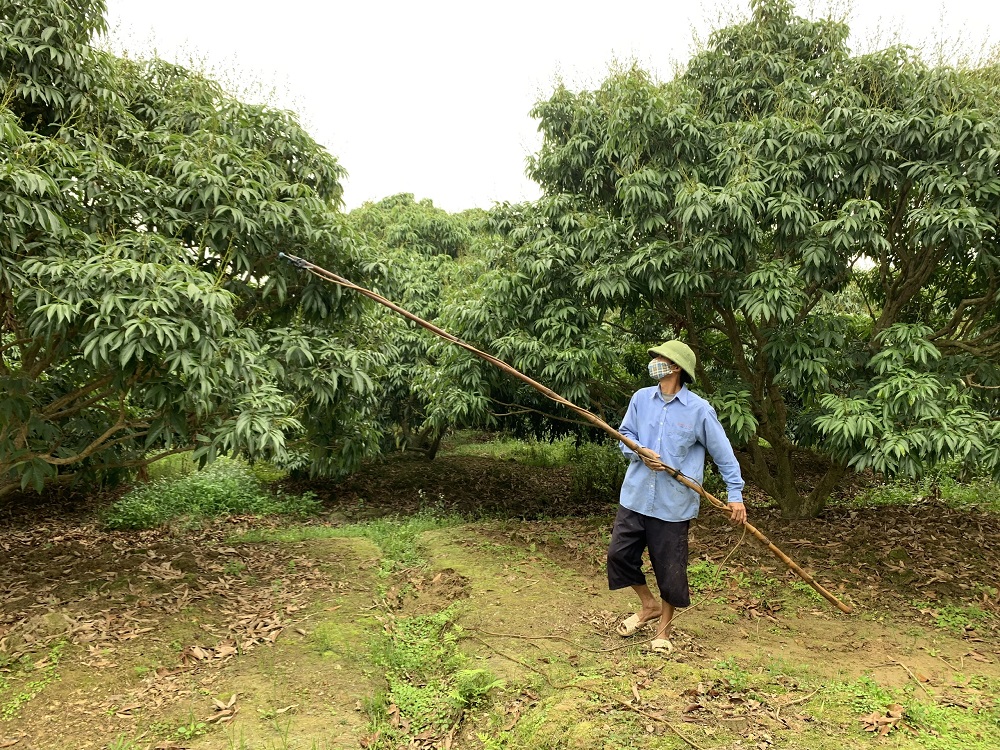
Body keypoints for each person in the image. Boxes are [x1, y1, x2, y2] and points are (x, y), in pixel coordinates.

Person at [607, 340, 747, 653]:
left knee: (670, 570)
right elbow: (624, 436)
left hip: (673, 504)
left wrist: (734, 494)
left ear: (675, 367)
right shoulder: (642, 399)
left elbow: (723, 455)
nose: (654, 361)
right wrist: (639, 451)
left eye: (660, 357)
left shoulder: (699, 410)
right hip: (636, 495)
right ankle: (648, 605)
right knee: (619, 555)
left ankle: (663, 632)